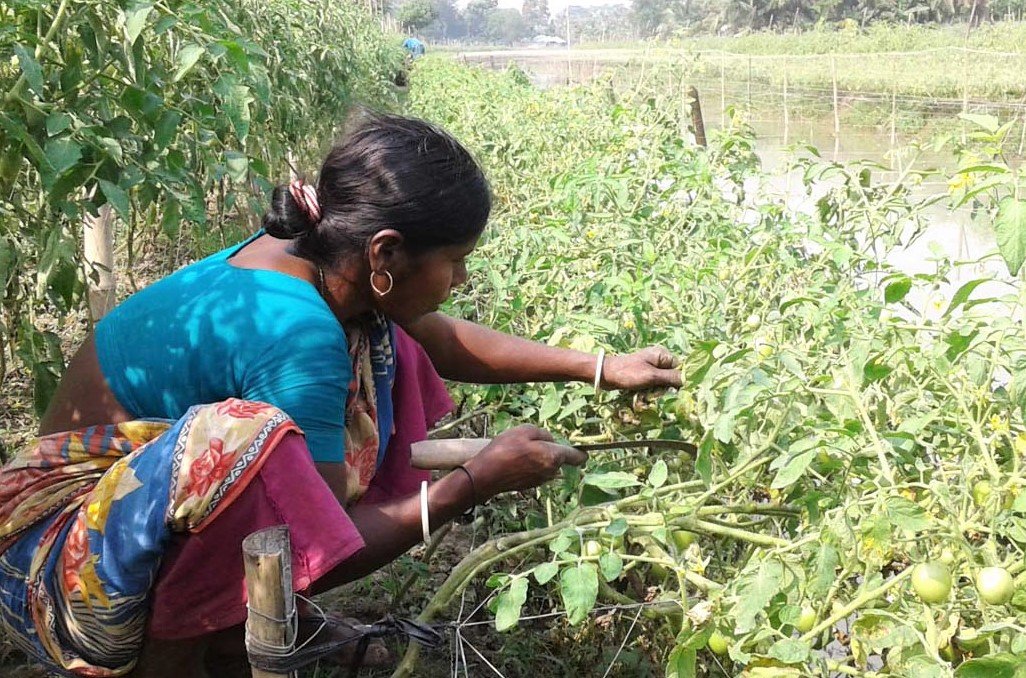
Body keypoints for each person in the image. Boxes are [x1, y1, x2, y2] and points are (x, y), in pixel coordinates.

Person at [1, 111, 682, 676]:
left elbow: (439, 337)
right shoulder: (301, 335)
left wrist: (600, 367)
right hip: (62, 571)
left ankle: (223, 629)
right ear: (385, 254)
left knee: (394, 341)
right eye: (456, 261)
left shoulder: (313, 254)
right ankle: (174, 655)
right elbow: (320, 551)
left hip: (108, 521)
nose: (463, 280)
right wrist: (472, 484)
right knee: (251, 443)